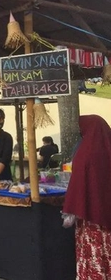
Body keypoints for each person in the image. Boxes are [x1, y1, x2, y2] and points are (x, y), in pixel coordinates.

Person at [63, 115, 111, 279]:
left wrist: (70, 208)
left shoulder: (85, 152)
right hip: (106, 212)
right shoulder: (107, 147)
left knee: (92, 251)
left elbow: (78, 183)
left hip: (89, 214)